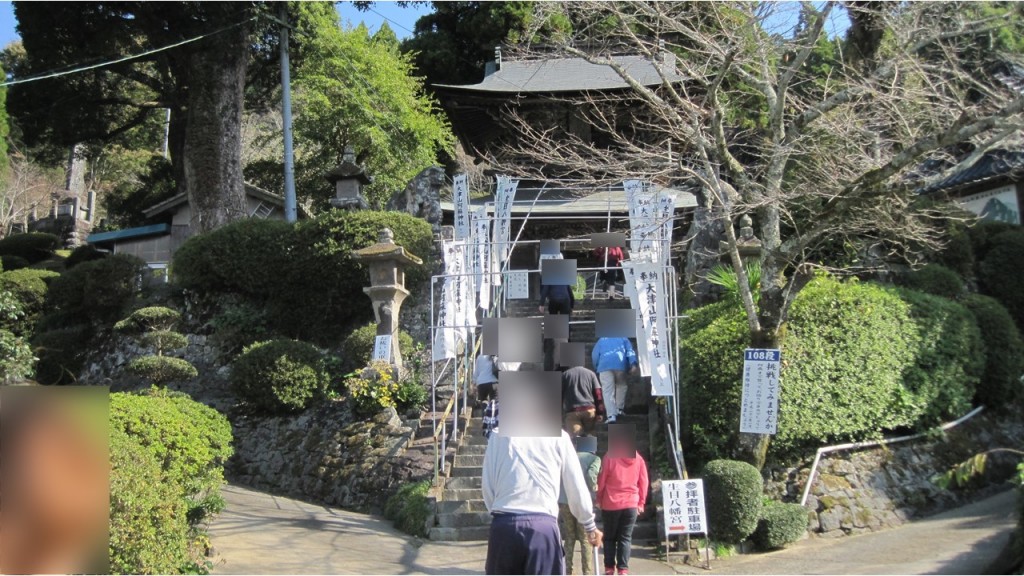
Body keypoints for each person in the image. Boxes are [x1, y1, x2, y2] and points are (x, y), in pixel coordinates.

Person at [482, 428, 603, 574]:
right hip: (542, 525)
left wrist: (498, 512)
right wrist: (589, 523)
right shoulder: (559, 436)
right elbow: (576, 485)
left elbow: (487, 485)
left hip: (504, 524)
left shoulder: (497, 434)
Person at [597, 436, 649, 576]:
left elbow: (601, 481)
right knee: (625, 538)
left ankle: (609, 569)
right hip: (631, 503)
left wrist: (599, 499)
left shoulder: (609, 457)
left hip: (610, 503)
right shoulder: (639, 459)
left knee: (609, 538)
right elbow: (644, 482)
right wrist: (641, 502)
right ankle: (623, 570)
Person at [558, 435, 601, 576]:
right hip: (582, 501)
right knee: (585, 539)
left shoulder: (570, 457)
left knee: (569, 536)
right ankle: (587, 572)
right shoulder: (595, 459)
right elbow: (590, 475)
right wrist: (593, 486)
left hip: (564, 501)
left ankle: (567, 570)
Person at [591, 337, 639, 423]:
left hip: (604, 365)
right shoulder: (624, 339)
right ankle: (619, 409)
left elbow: (595, 355)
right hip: (620, 365)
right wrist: (633, 363)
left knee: (607, 390)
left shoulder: (602, 340)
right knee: (622, 386)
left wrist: (597, 366)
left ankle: (611, 416)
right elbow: (630, 351)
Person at [561, 365, 606, 437]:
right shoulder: (591, 374)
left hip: (572, 412)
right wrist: (600, 412)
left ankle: (580, 446)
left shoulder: (565, 375)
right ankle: (589, 446)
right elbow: (598, 393)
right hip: (589, 411)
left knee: (576, 438)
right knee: (590, 436)